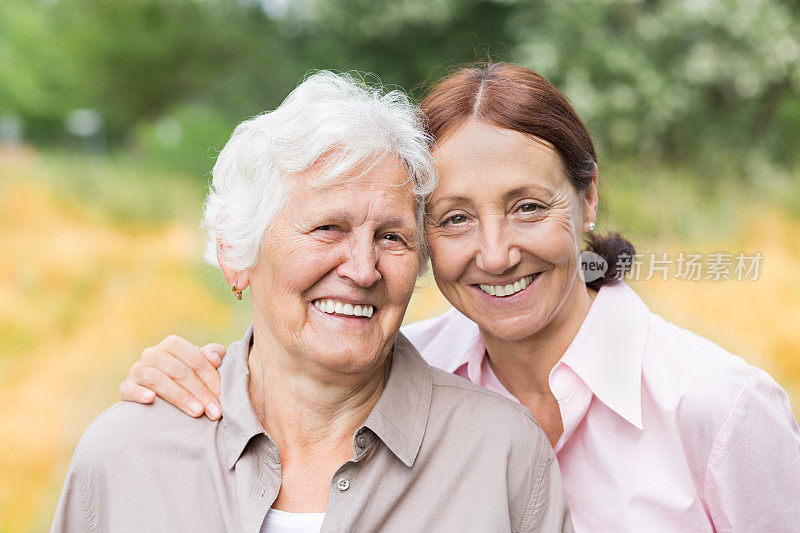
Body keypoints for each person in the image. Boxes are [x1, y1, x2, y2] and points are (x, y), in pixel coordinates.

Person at [119, 64, 800, 531]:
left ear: (587, 198)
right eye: (454, 218)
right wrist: (191, 374)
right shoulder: (403, 372)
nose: (497, 252)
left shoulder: (716, 406)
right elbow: (288, 379)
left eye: (529, 206)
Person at [52, 71, 573, 532]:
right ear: (238, 252)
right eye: (328, 228)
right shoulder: (123, 456)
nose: (363, 269)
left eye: (392, 237)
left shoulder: (503, 455)